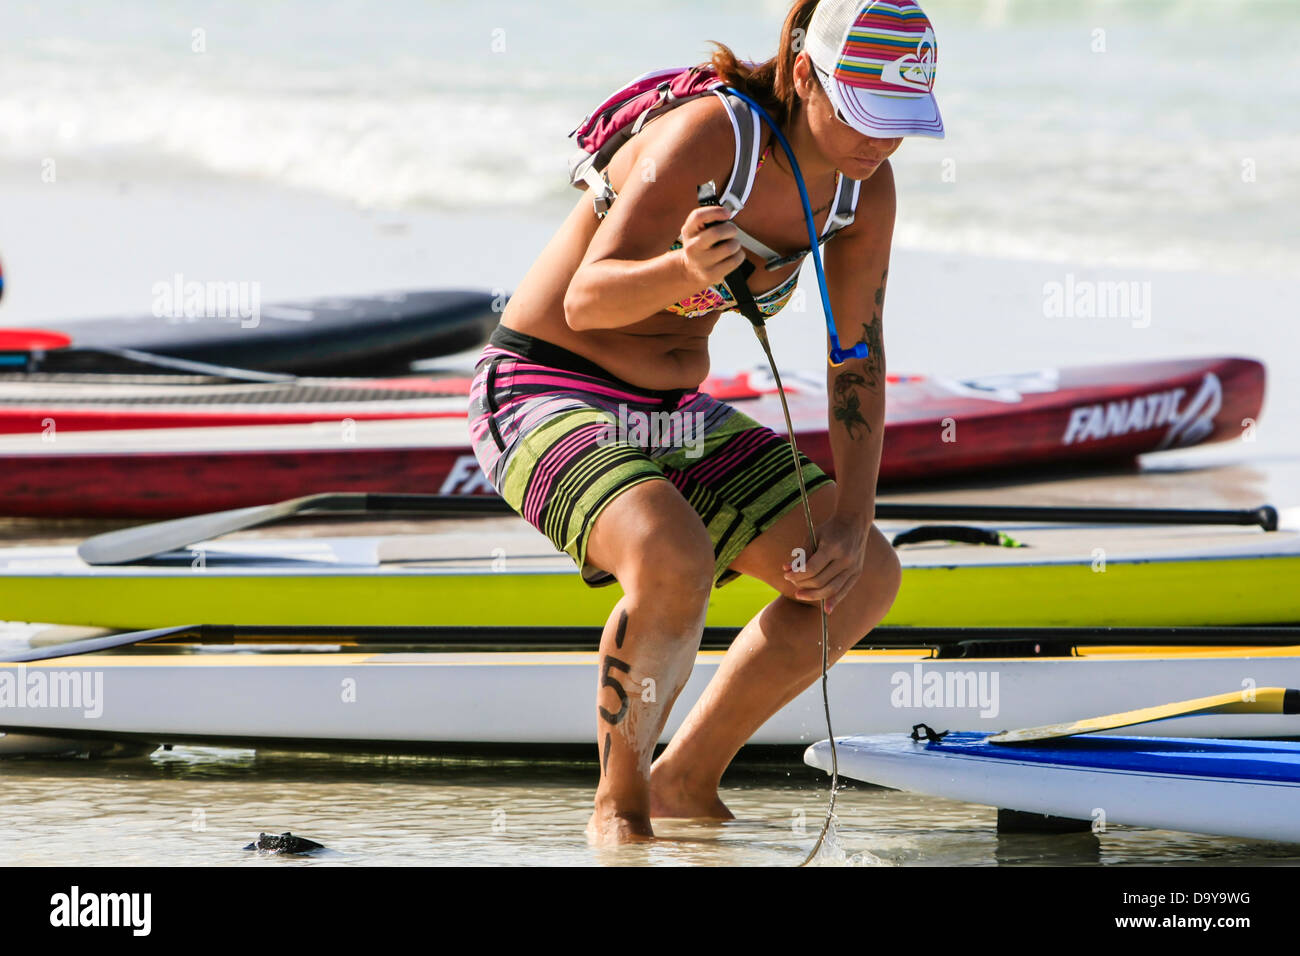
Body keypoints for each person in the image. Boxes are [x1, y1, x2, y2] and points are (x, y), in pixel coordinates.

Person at [468, 0, 943, 845]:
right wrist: (682, 268)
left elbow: (856, 356)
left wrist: (852, 516)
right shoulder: (711, 137)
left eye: (898, 123)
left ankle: (686, 777)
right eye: (864, 116)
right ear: (804, 75)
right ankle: (619, 805)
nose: (880, 143)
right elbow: (587, 297)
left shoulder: (865, 189)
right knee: (670, 556)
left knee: (863, 573)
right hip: (540, 385)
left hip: (673, 412)